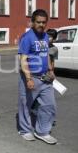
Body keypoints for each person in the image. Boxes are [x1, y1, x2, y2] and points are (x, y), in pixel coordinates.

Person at [18, 9, 57, 145]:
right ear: (32, 22)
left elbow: (46, 54)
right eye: (38, 22)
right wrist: (28, 78)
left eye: (44, 22)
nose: (41, 24)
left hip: (45, 77)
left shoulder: (45, 36)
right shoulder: (26, 38)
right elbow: (23, 59)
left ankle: (42, 131)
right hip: (31, 77)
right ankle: (25, 130)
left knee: (49, 105)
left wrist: (51, 69)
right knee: (26, 105)